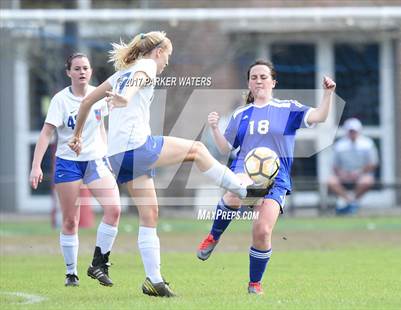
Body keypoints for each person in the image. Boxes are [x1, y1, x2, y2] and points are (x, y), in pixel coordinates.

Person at [68, 31, 257, 297]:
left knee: (150, 215)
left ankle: (152, 281)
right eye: (167, 55)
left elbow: (87, 100)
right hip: (136, 146)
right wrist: (127, 97)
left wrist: (76, 136)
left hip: (118, 155)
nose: (167, 61)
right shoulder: (146, 65)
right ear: (158, 52)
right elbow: (138, 80)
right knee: (198, 149)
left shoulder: (121, 73)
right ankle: (242, 189)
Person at [196, 59, 336, 295]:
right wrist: (215, 129)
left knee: (262, 231)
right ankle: (213, 236)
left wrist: (328, 94)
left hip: (276, 179)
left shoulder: (288, 108)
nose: (258, 81)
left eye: (263, 77)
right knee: (233, 194)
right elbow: (224, 149)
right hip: (244, 171)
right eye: (254, 77)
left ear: (273, 82)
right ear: (249, 84)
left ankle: (254, 285)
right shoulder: (241, 114)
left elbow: (320, 116)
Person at [29, 53, 122, 287]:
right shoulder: (60, 100)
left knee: (114, 210)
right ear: (68, 72)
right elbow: (46, 133)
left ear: (91, 72)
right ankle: (71, 273)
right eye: (77, 68)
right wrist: (36, 166)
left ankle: (99, 264)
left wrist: (108, 155)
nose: (82, 72)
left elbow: (101, 127)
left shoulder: (98, 96)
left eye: (86, 68)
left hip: (96, 161)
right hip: (68, 163)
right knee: (71, 220)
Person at [327, 118, 378, 214]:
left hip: (361, 174)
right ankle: (350, 202)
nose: (353, 134)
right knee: (331, 181)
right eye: (351, 131)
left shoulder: (367, 144)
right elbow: (334, 165)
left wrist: (359, 172)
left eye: (354, 131)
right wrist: (343, 174)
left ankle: (350, 203)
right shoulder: (339, 145)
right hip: (343, 175)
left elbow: (372, 164)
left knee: (367, 180)